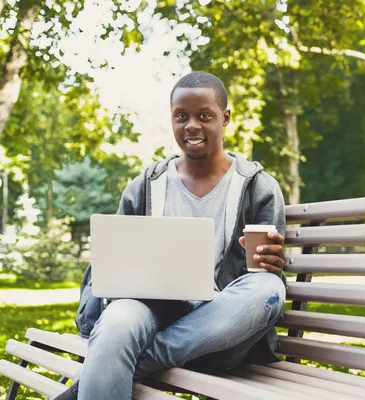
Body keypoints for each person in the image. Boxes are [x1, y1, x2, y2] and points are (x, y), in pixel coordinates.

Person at [53, 71, 287, 400]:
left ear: (226, 118)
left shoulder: (259, 188)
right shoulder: (144, 186)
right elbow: (115, 266)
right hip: (150, 310)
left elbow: (266, 286)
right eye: (181, 116)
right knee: (117, 321)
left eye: (204, 116)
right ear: (172, 120)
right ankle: (140, 358)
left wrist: (271, 265)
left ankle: (141, 361)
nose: (191, 125)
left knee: (269, 288)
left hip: (217, 326)